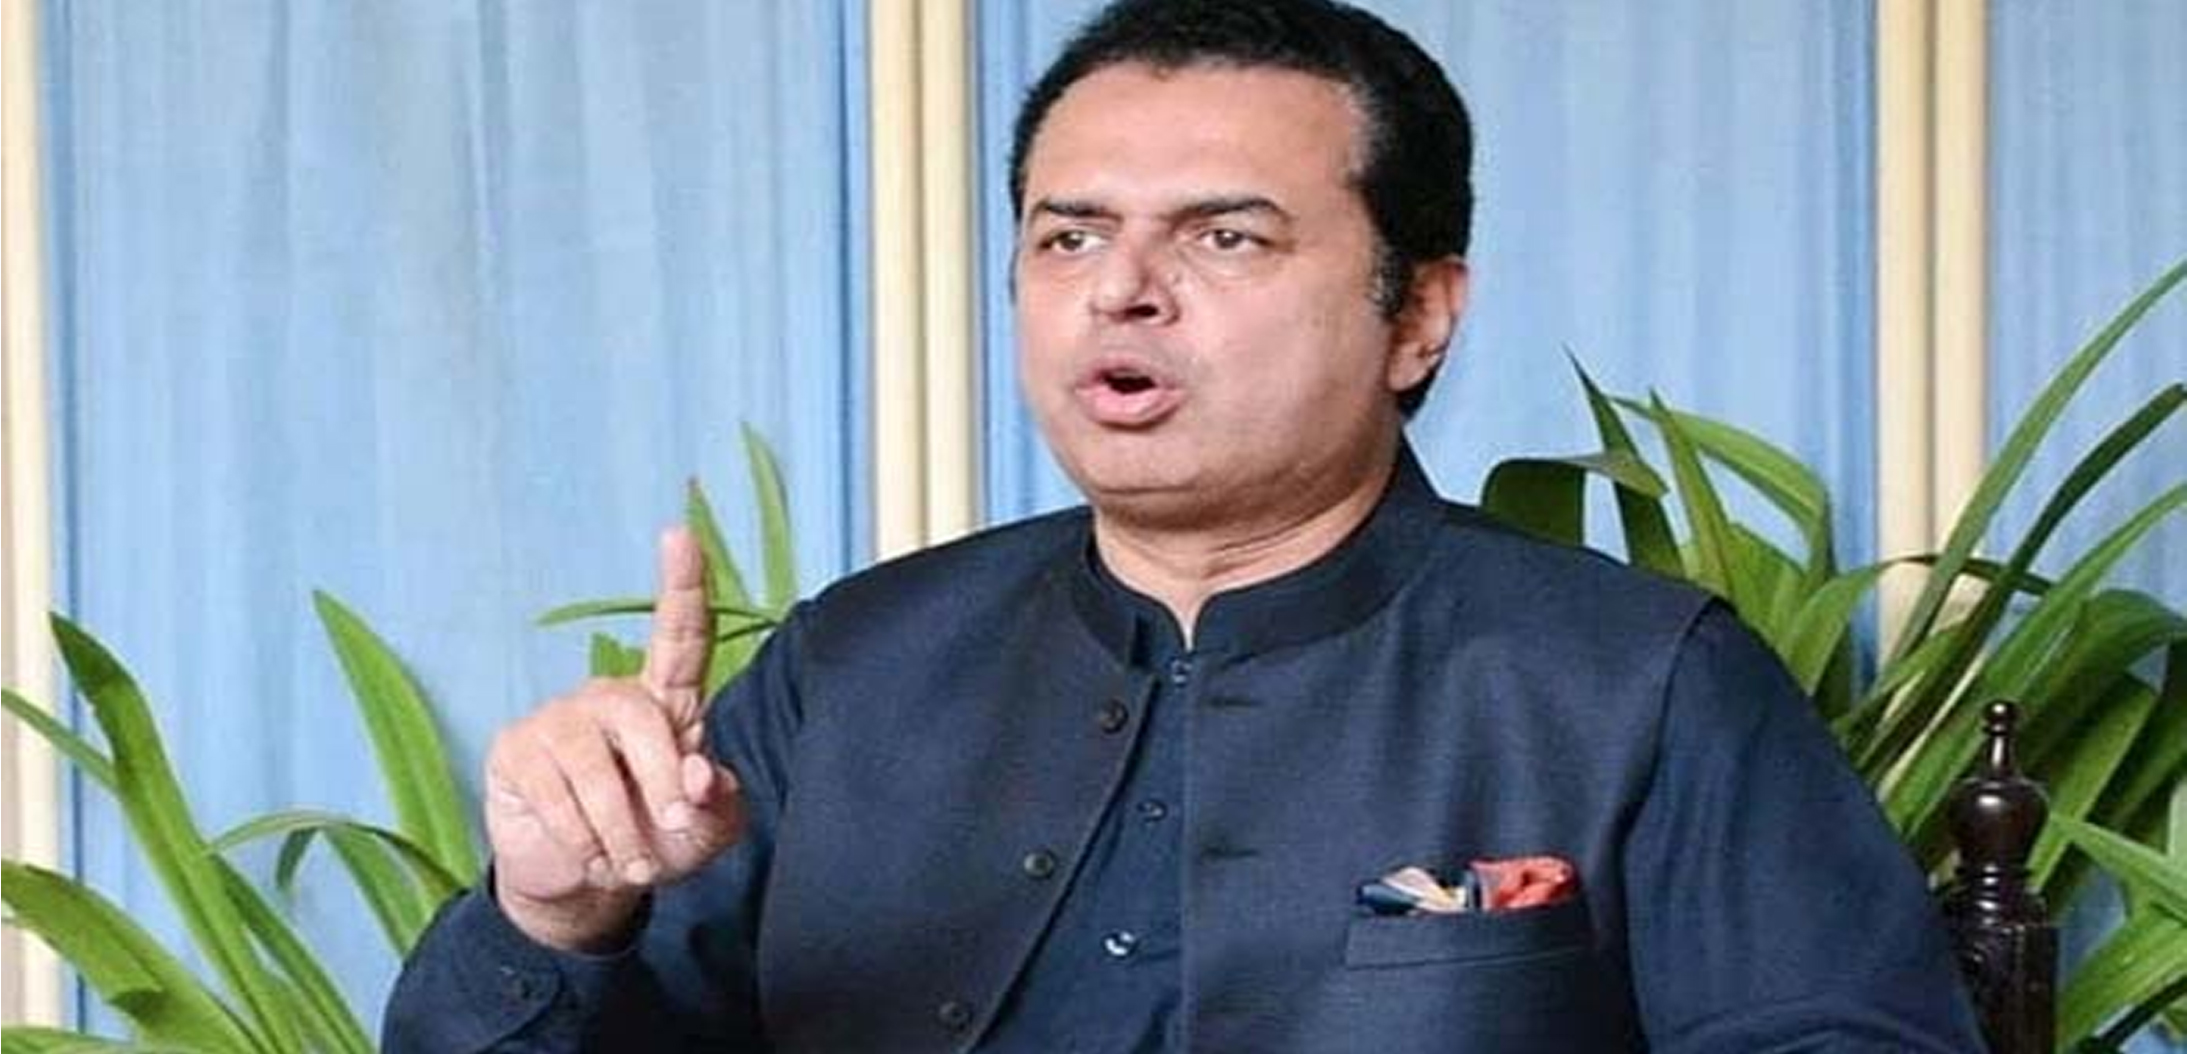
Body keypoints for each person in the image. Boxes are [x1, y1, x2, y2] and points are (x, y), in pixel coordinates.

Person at [385, 1, 1985, 1050]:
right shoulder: (855, 665)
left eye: (1226, 237)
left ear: (1418, 314)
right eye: (1069, 236)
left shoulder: (1635, 680)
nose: (1123, 290)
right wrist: (556, 913)